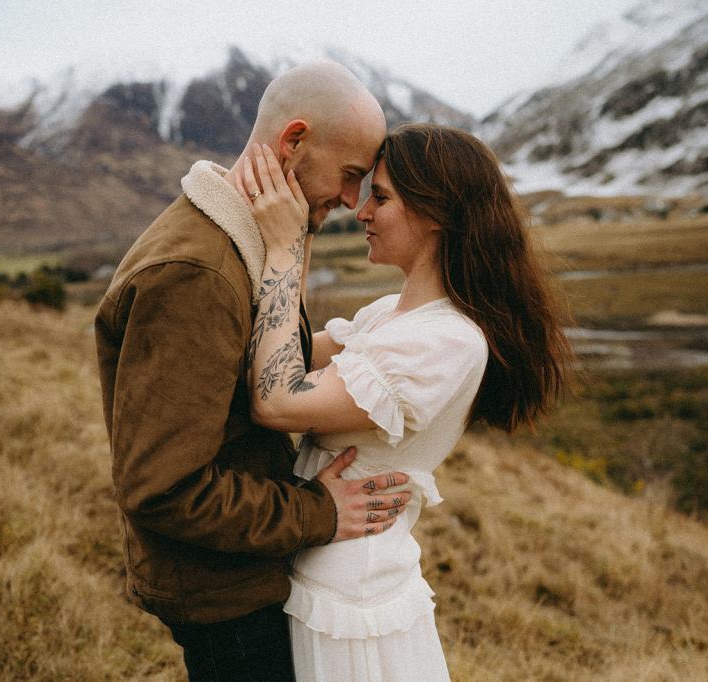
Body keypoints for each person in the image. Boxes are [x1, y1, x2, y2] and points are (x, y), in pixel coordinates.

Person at [94, 61, 415, 682]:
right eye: (350, 176)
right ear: (293, 142)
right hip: (222, 594)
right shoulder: (199, 273)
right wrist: (318, 512)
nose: (354, 202)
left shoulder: (252, 239)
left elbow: (256, 368)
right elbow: (163, 489)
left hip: (244, 570)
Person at [238, 124, 574, 681]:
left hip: (349, 594)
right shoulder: (391, 314)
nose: (363, 211)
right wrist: (300, 234)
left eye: (383, 197)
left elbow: (276, 398)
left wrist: (281, 247)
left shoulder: (446, 341)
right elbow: (288, 351)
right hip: (325, 567)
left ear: (437, 213)